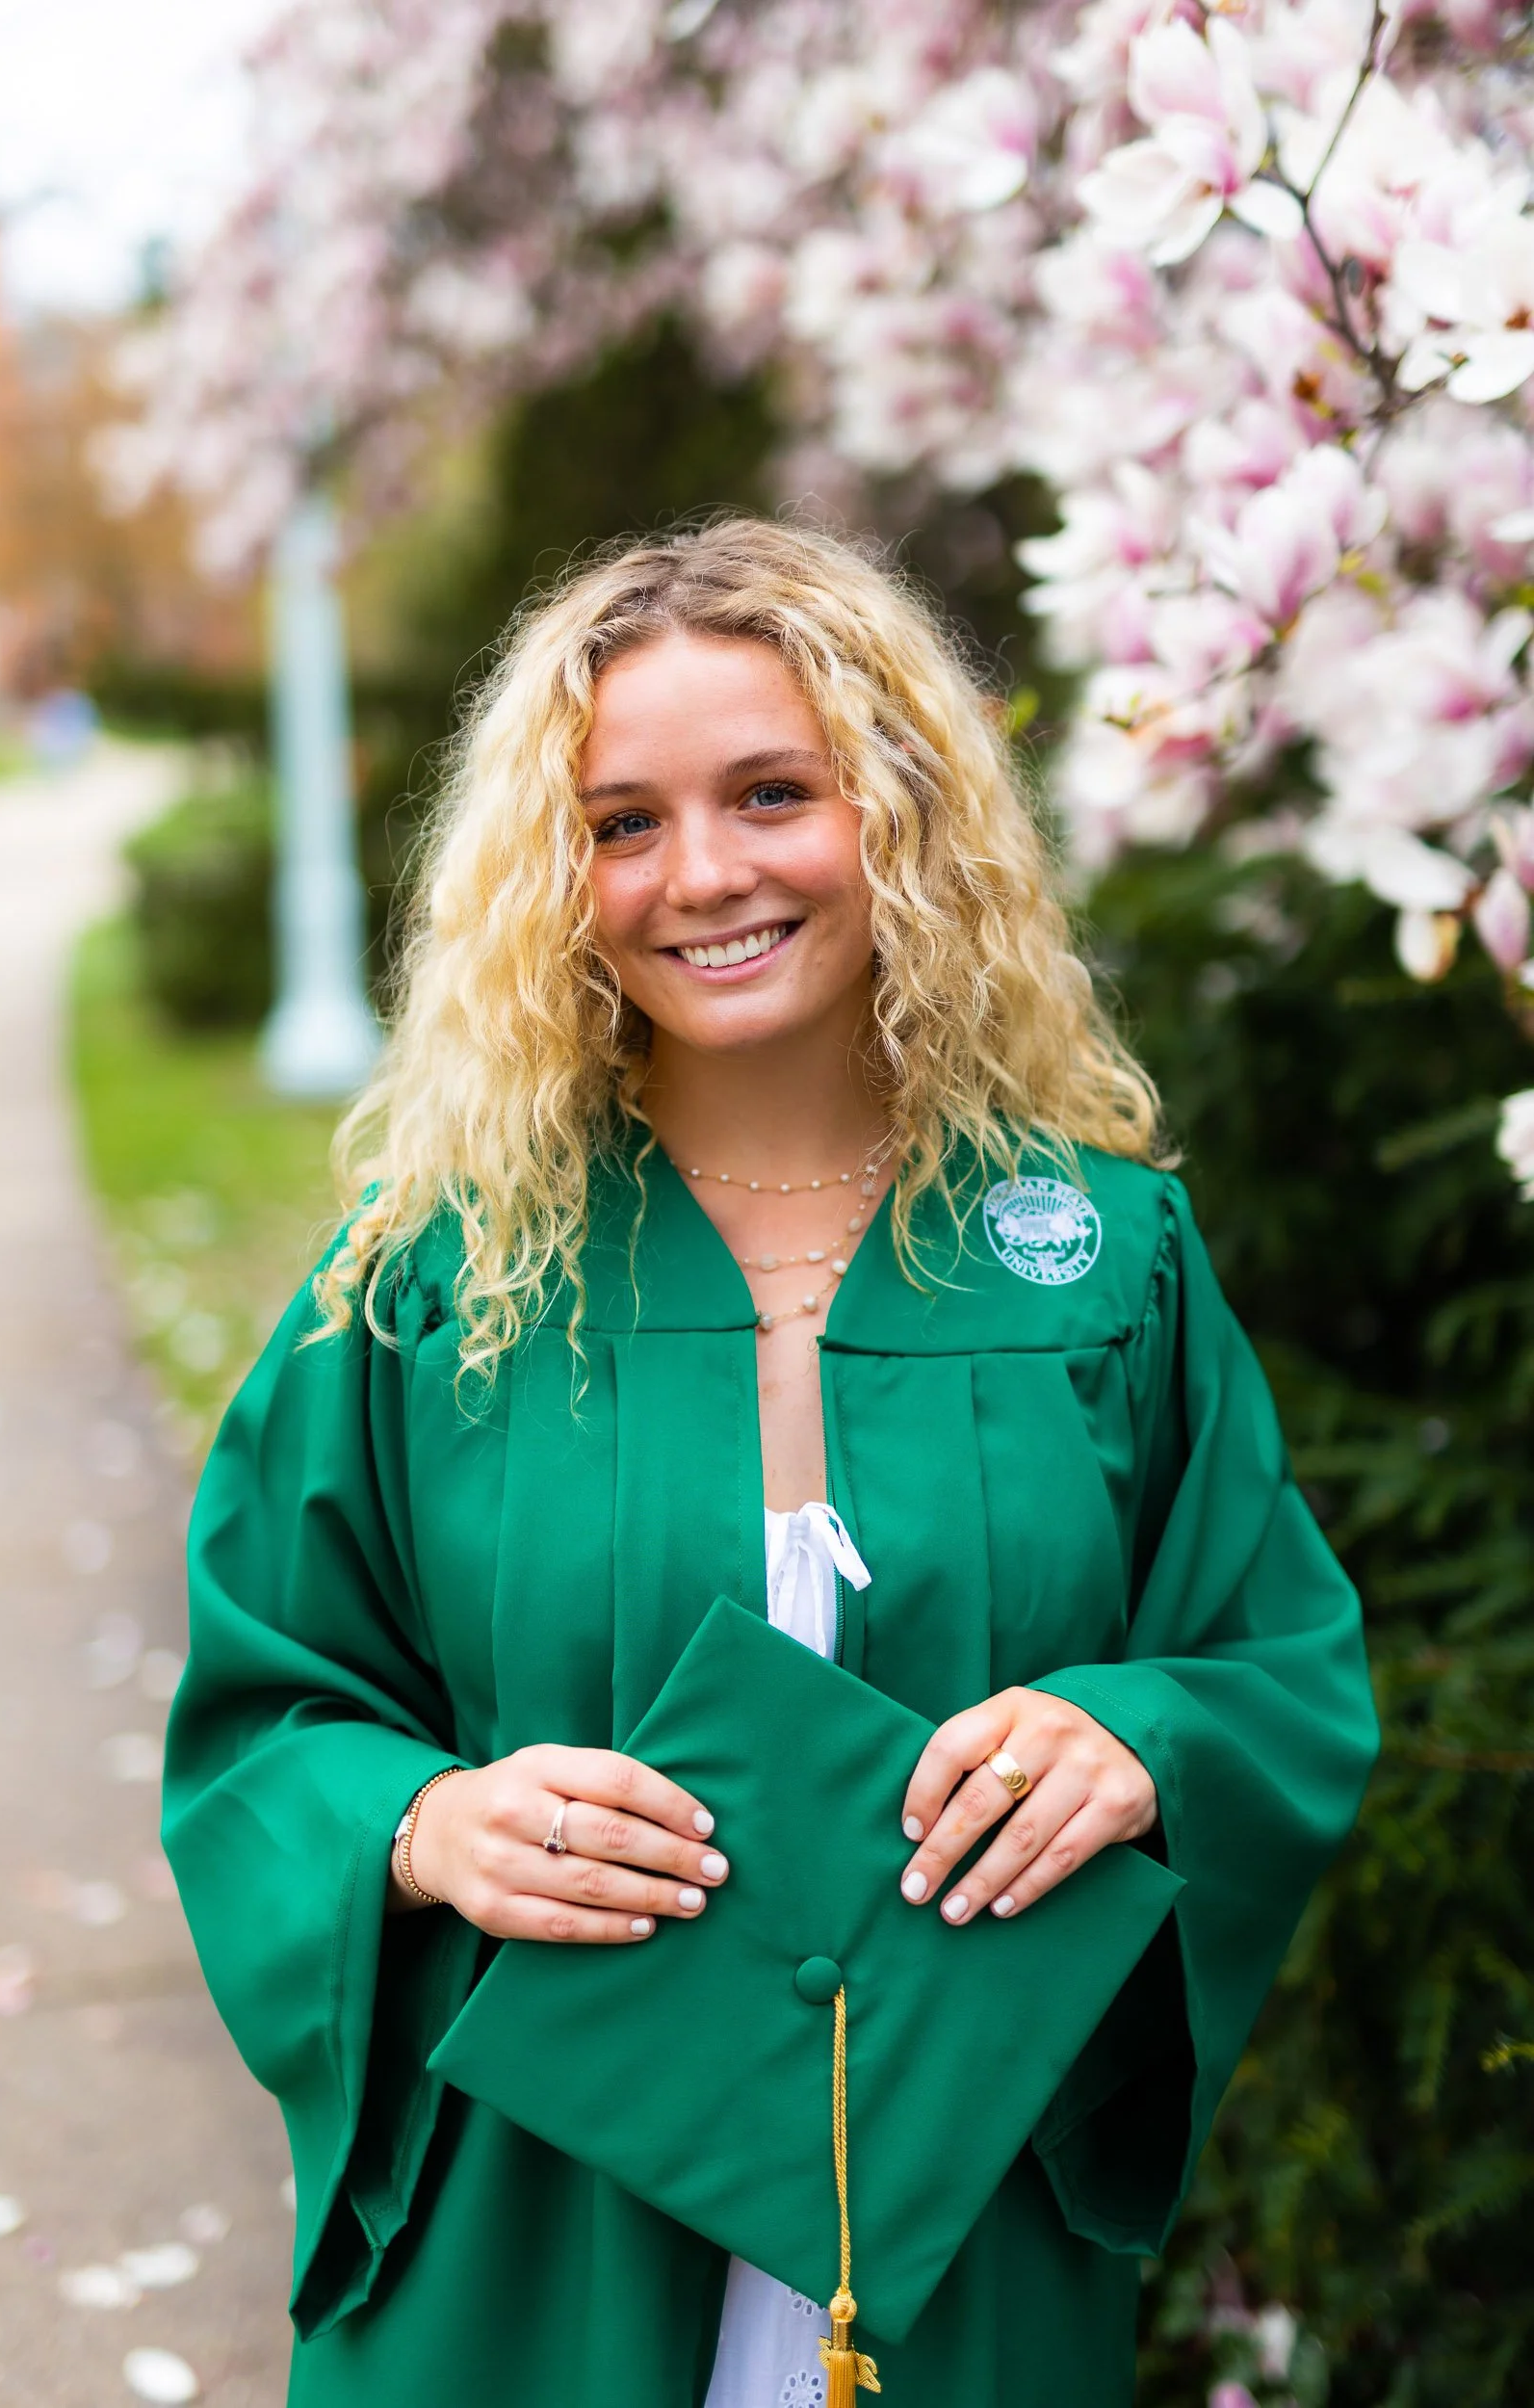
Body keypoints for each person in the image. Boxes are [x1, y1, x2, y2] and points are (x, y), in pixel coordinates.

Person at [163, 518, 1379, 2408]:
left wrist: (1140, 1737)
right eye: (619, 820)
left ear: (891, 808)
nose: (702, 872)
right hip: (535, 2225)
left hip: (953, 2221)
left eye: (767, 793)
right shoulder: (442, 1276)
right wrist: (420, 1825)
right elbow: (264, 1717)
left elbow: (1274, 1664)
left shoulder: (1097, 1256)